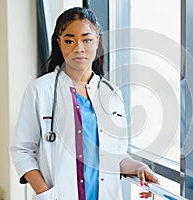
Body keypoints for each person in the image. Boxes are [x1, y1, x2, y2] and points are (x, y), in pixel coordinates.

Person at [10, 7, 158, 200]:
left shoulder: (111, 93)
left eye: (87, 40)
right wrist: (45, 193)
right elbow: (22, 149)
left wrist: (139, 167)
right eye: (69, 40)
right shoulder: (40, 90)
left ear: (97, 41)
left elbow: (117, 155)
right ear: (59, 43)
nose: (78, 47)